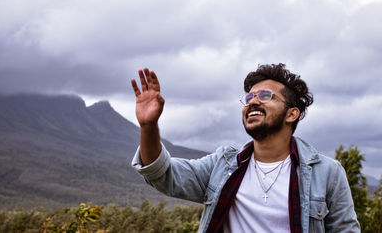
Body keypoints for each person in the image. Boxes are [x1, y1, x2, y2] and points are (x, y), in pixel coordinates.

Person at [130, 63, 360, 233]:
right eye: (249, 96)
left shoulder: (327, 173)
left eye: (265, 96)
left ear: (292, 113)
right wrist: (149, 126)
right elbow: (163, 173)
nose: (252, 101)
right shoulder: (223, 164)